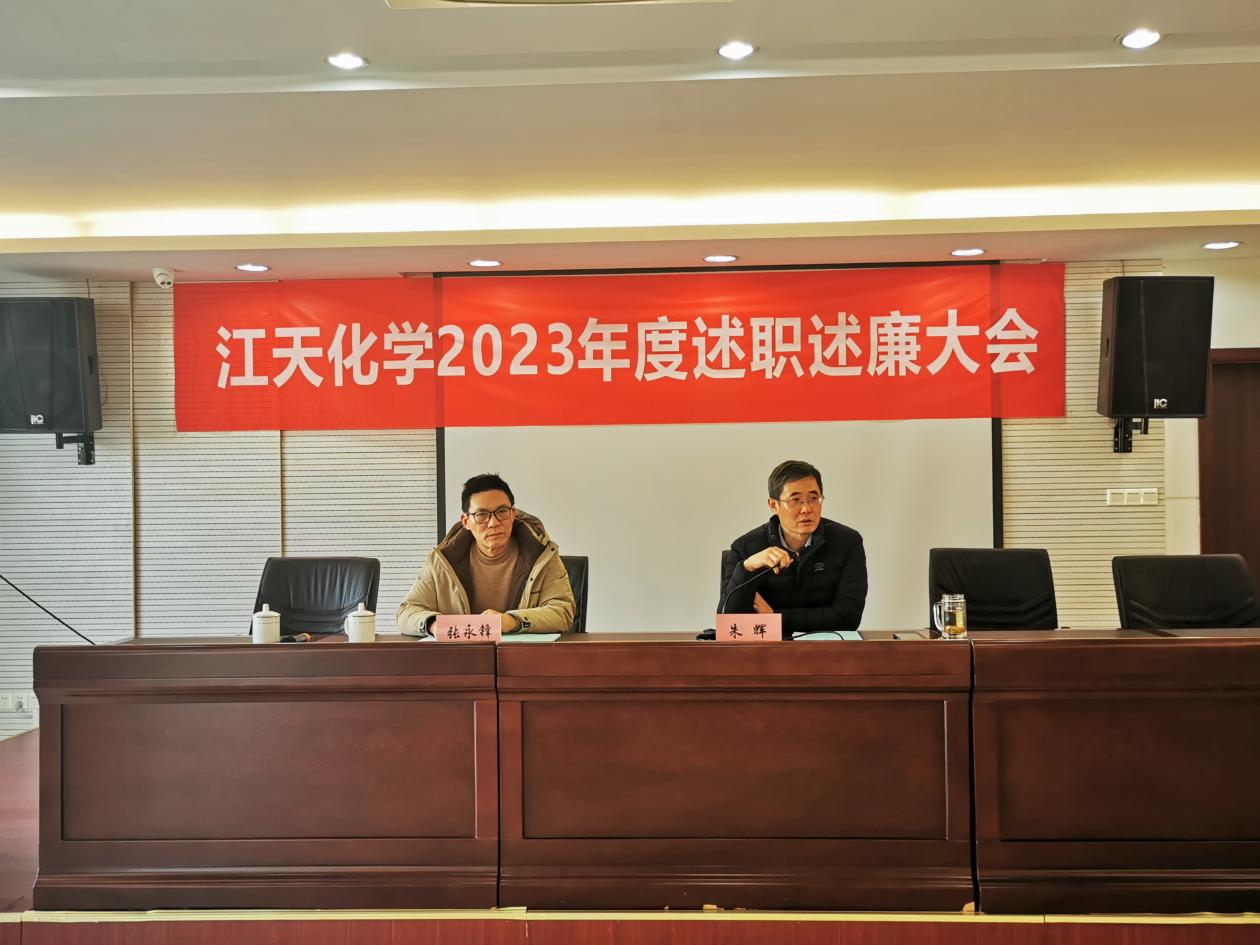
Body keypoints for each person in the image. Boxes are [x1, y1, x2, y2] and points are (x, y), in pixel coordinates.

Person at [397, 473, 576, 635]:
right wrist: (434, 624)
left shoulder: (542, 555)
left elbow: (562, 612)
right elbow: (407, 612)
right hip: (461, 657)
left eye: (502, 512)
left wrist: (513, 621)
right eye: (481, 514)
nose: (493, 523)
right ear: (466, 521)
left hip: (522, 656)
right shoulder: (442, 560)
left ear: (513, 514)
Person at [718, 460, 867, 634]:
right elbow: (728, 623)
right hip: (765, 648)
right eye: (795, 500)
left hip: (825, 647)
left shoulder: (847, 542)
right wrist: (746, 569)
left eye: (813, 498)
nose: (806, 509)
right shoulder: (745, 547)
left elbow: (848, 617)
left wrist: (774, 618)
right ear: (774, 505)